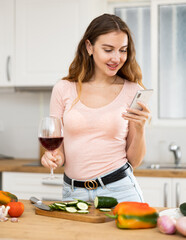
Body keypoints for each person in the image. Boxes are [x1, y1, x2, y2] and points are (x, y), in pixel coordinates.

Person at [41, 13, 151, 203]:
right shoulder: (63, 88)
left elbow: (135, 161)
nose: (117, 58)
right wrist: (53, 158)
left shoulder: (134, 91)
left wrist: (140, 129)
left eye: (123, 50)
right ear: (89, 47)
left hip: (120, 190)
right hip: (73, 193)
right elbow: (57, 148)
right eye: (108, 49)